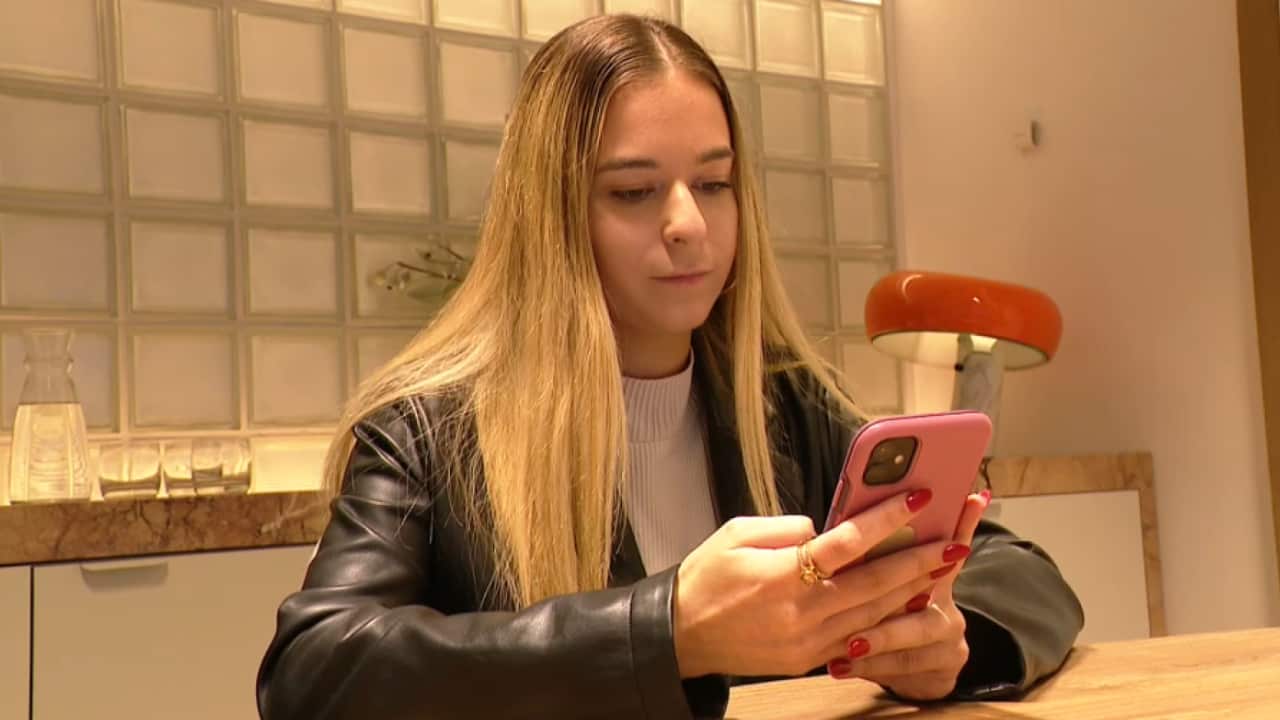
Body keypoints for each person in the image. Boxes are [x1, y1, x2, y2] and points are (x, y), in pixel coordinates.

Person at [256, 14, 1083, 720]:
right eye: (633, 192)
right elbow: (315, 672)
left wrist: (950, 642)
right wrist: (666, 628)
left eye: (714, 183)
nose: (688, 223)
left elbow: (1027, 578)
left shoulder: (785, 408)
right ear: (553, 215)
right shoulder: (428, 432)